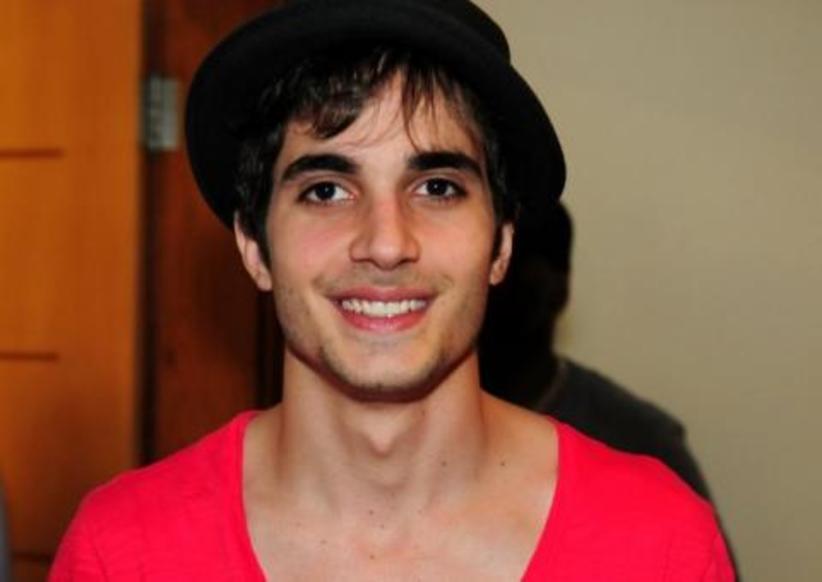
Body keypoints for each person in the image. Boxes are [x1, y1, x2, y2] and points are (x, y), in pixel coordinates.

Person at [51, 1, 735, 579]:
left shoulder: (659, 545)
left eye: (436, 187)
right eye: (326, 190)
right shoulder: (123, 553)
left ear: (501, 243)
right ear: (255, 247)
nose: (385, 242)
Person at [480, 203, 713, 499]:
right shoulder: (428, 424)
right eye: (485, 264)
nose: (494, 287)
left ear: (559, 287)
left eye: (514, 266)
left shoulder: (638, 442)